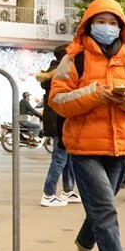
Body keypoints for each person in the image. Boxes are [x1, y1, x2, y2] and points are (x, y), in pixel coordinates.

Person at [49, 0, 125, 251]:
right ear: (88, 24)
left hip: (119, 146)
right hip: (83, 147)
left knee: (99, 208)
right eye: (100, 21)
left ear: (121, 27)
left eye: (112, 22)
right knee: (106, 208)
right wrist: (95, 94)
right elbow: (58, 100)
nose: (106, 27)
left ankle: (82, 248)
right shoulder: (74, 57)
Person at [37, 44, 80, 207]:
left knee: (67, 157)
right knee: (60, 158)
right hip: (59, 120)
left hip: (60, 119)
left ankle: (68, 191)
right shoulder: (61, 73)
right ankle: (48, 194)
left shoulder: (53, 72)